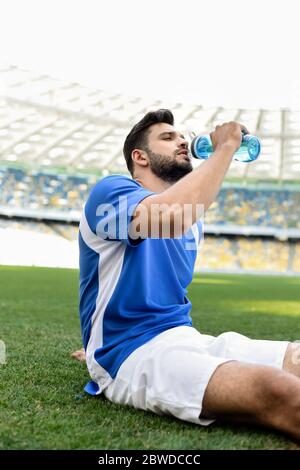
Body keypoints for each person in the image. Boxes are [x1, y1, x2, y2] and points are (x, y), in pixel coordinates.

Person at [75, 109, 300, 441]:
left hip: (187, 337)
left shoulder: (195, 218)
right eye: (168, 138)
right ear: (140, 157)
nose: (182, 141)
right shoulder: (111, 191)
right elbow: (170, 215)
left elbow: (183, 213)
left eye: (182, 136)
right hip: (132, 353)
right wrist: (225, 147)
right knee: (278, 390)